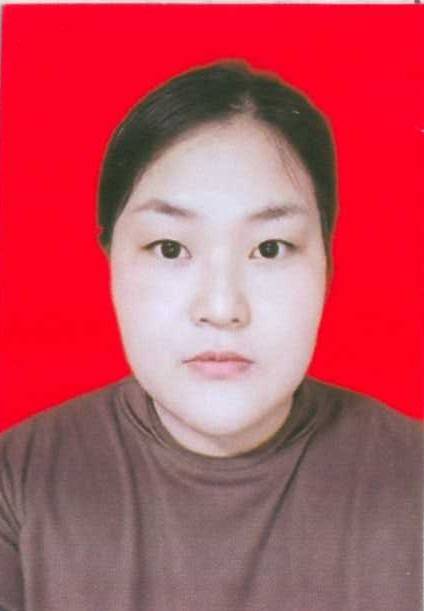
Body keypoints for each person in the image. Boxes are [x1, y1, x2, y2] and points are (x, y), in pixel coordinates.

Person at [0, 61, 421, 611]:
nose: (222, 309)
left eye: (269, 249)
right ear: (110, 263)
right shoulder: (18, 482)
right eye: (170, 248)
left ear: (327, 265)